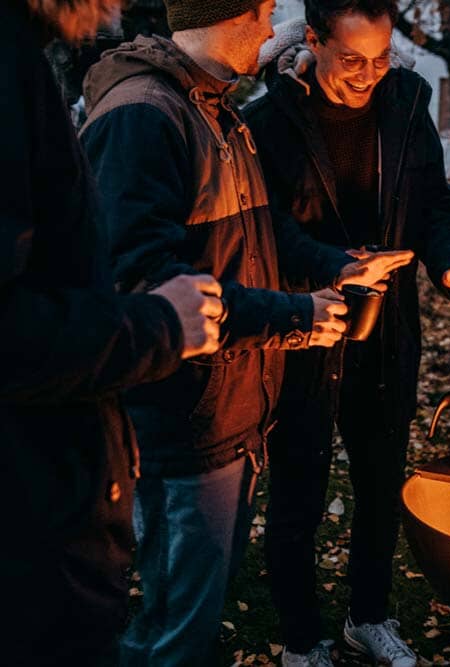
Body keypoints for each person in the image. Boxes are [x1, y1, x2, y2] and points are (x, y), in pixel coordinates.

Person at [78, 1, 409, 664]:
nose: (268, 30)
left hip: (230, 415)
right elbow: (145, 283)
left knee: (197, 609)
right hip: (180, 426)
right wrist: (293, 318)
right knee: (171, 626)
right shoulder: (148, 115)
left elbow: (264, 233)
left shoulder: (212, 108)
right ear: (227, 14)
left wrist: (335, 265)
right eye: (261, 13)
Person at [244, 2, 450, 665]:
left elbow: (433, 204)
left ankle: (370, 614)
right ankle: (302, 636)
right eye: (352, 60)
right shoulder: (267, 120)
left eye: (381, 58)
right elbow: (269, 227)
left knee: (381, 482)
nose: (367, 76)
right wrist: (339, 265)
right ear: (314, 42)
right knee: (298, 486)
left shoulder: (408, 101)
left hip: (386, 330)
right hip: (305, 325)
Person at [1, 1, 228, 664]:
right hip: (31, 541)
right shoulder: (125, 106)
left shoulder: (26, 59)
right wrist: (162, 323)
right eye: (264, 12)